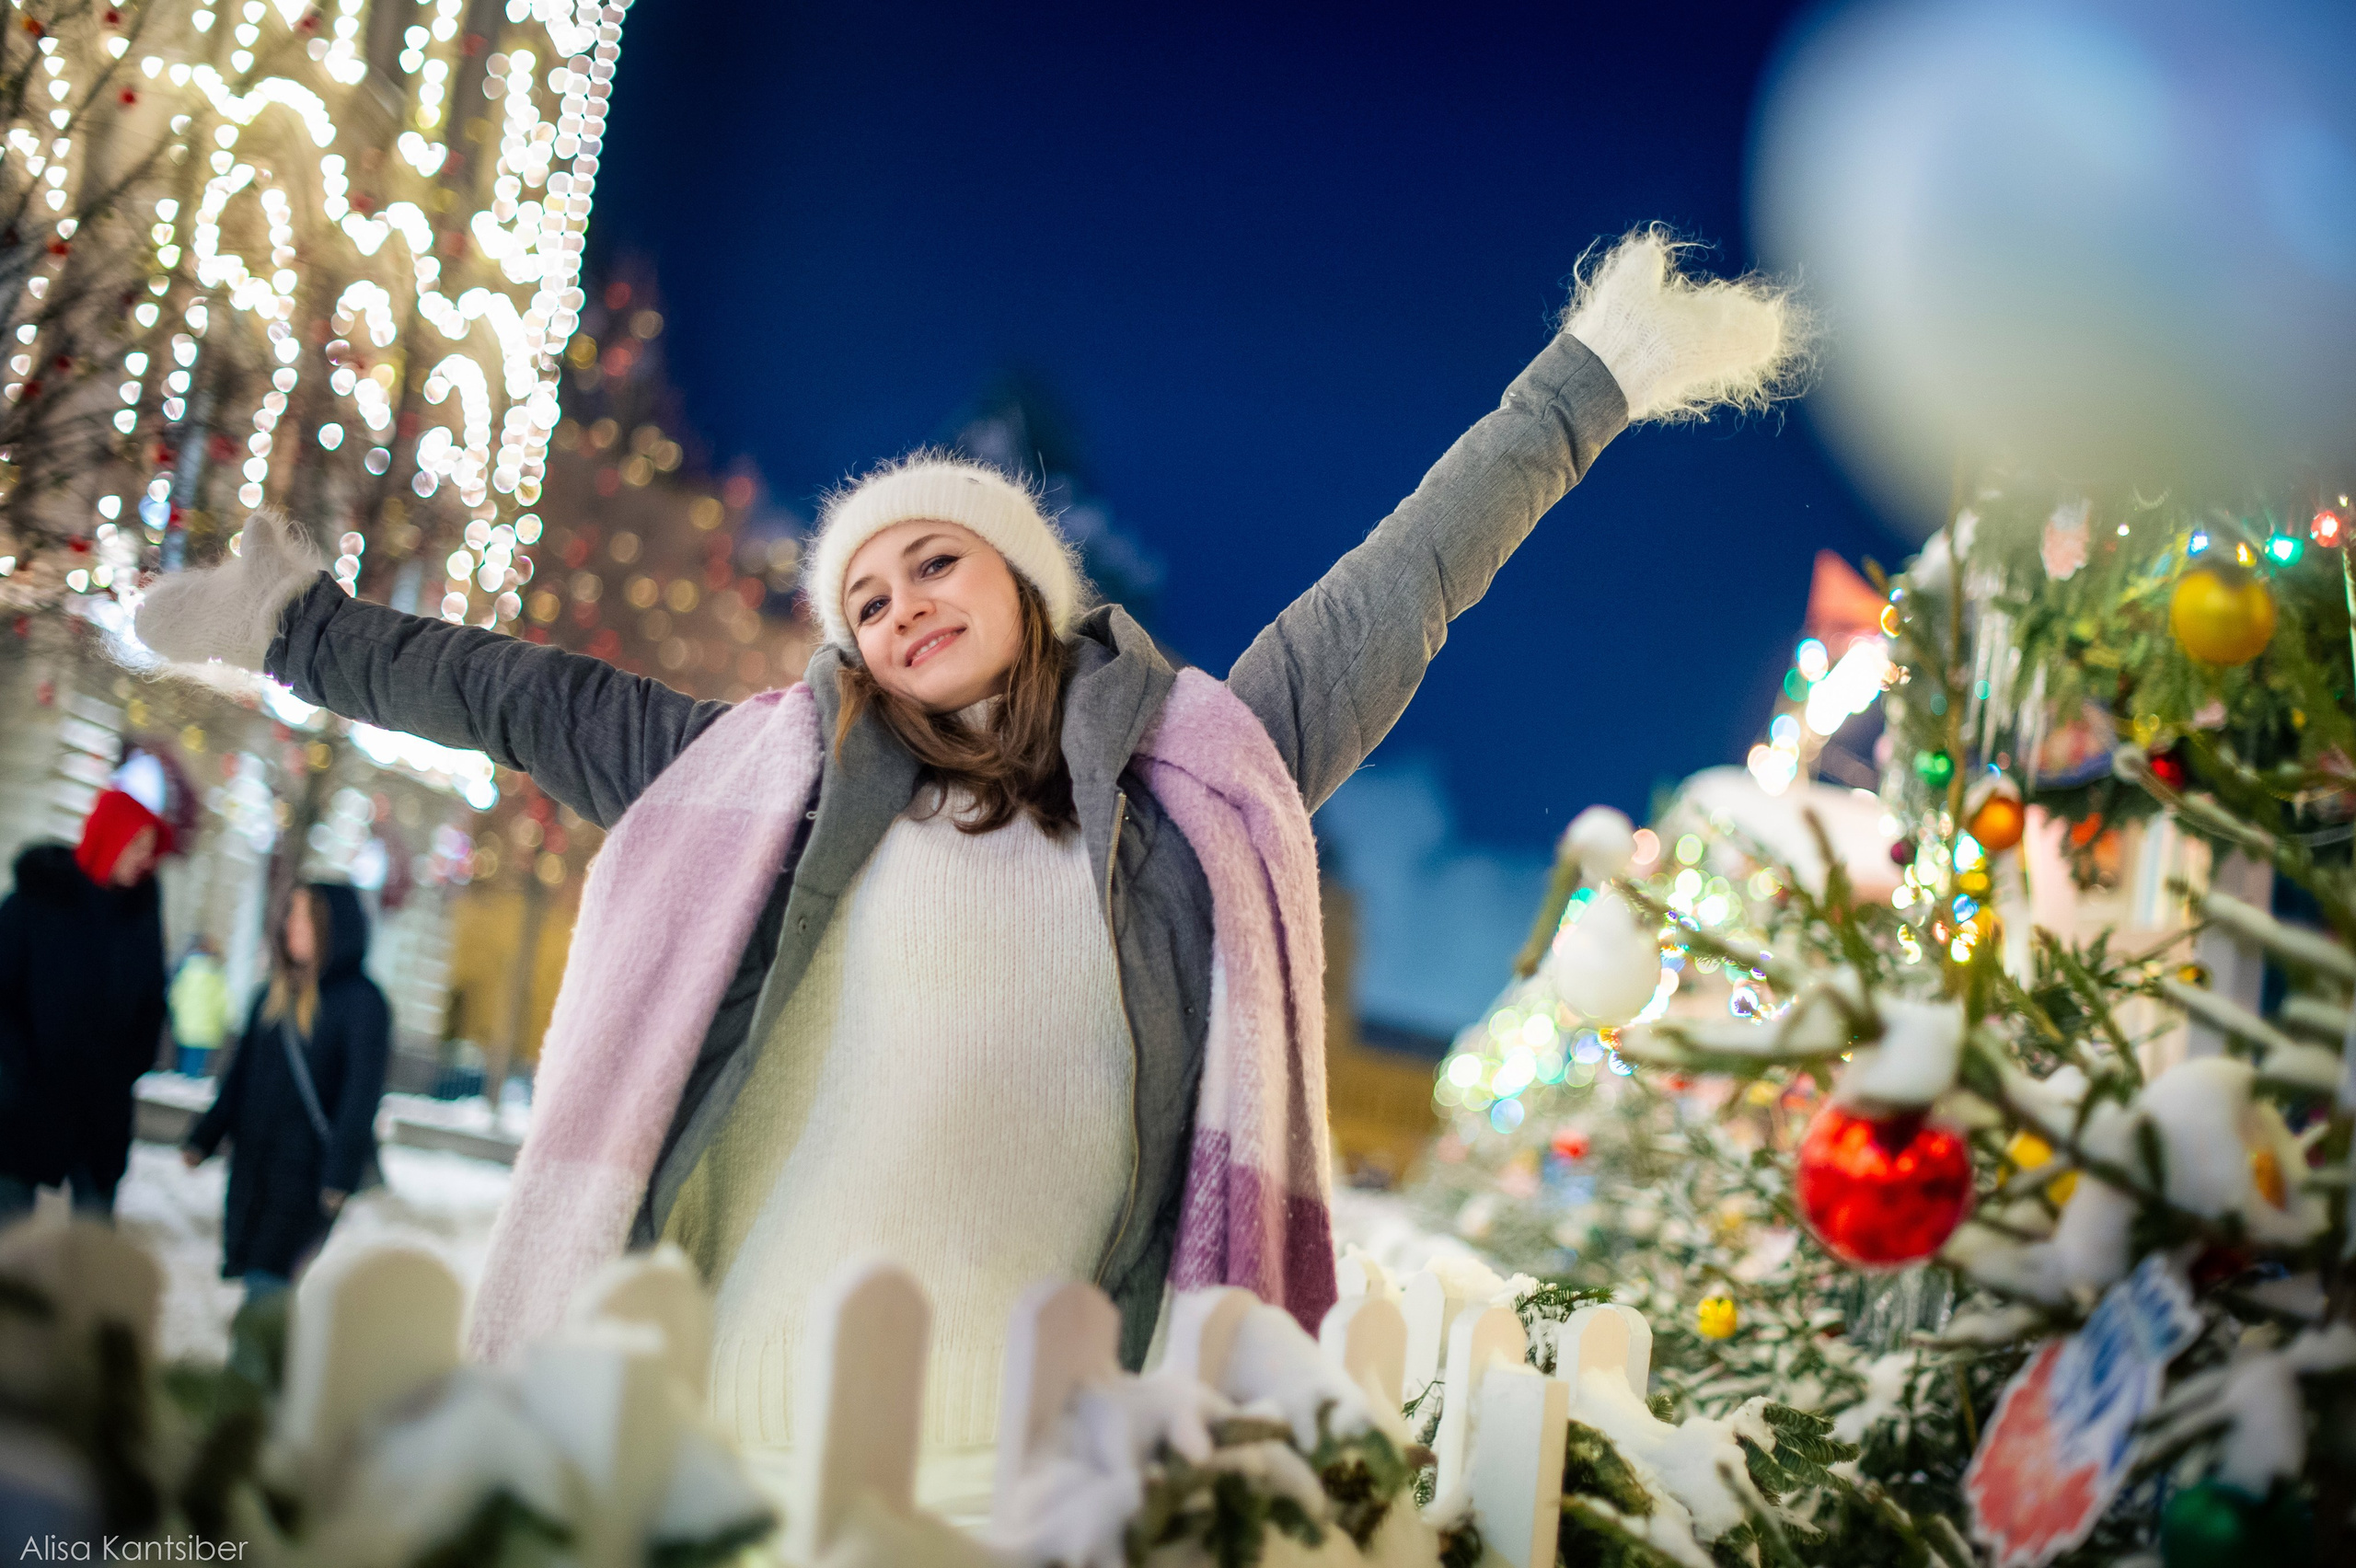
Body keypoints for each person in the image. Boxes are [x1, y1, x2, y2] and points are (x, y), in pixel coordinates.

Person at [136, 230, 1797, 1471]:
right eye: (866, 595)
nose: (899, 604)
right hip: (732, 1404)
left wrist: (1584, 387)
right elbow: (508, 690)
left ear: (1023, 581)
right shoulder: (760, 781)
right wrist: (296, 623)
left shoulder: (1184, 776)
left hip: (1037, 1437)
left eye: (935, 562)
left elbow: (1408, 577)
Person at [181, 883, 390, 1299]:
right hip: (253, 1168)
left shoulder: (362, 1003)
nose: (291, 926)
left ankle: (254, 1363)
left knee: (268, 1287)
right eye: (290, 914)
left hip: (308, 1178)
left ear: (331, 926)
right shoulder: (272, 995)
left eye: (303, 916)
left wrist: (338, 1176)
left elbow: (360, 1098)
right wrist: (204, 1138)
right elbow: (238, 1079)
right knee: (259, 1281)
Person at [0, 787, 171, 1221]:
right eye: (135, 845)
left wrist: (127, 1068)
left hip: (101, 1111)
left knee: (93, 1251)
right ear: (107, 836)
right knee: (10, 1238)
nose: (143, 859)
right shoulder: (37, 900)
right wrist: (19, 1072)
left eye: (149, 849)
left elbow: (152, 1001)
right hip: (25, 1103)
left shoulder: (140, 915)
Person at [168, 937, 234, 1077]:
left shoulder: (185, 970)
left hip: (184, 1025)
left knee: (183, 1063)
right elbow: (223, 1001)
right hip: (206, 1028)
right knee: (197, 1067)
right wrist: (229, 1019)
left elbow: (174, 996)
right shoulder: (216, 975)